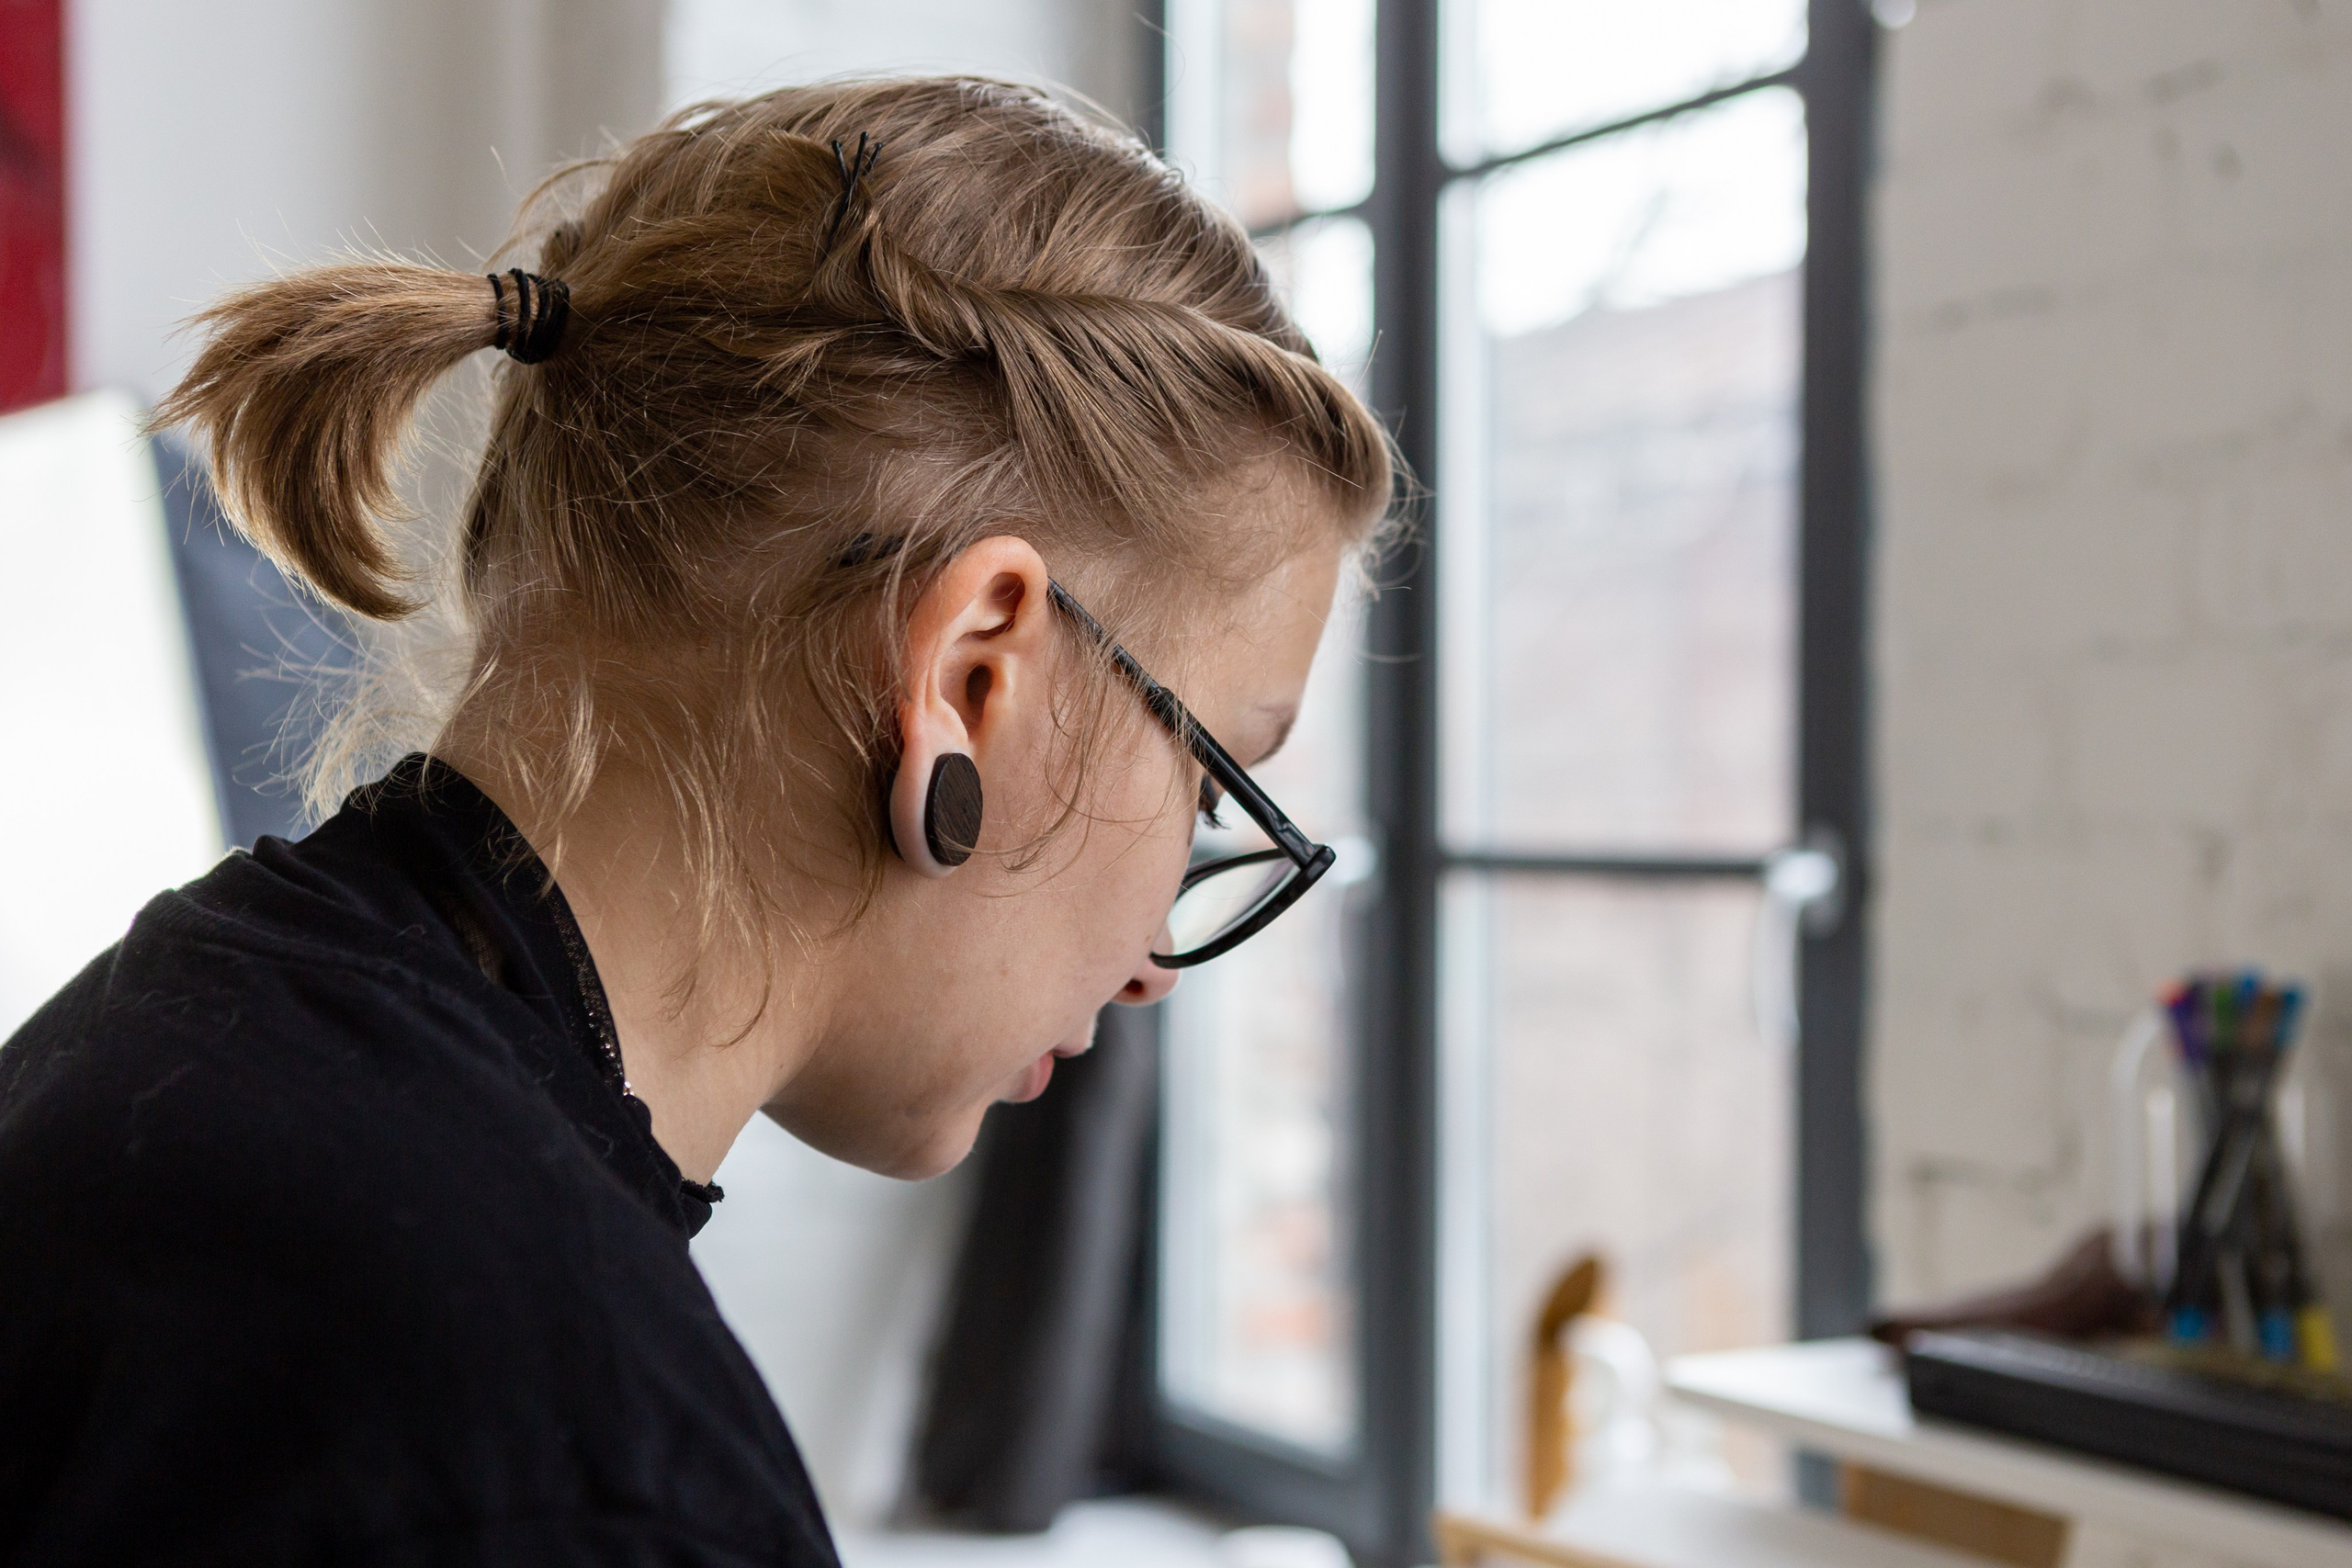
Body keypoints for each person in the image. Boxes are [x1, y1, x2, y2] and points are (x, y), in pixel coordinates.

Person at [0, 78, 1391, 1564]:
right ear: (972, 674)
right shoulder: (580, 1462)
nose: (1155, 971)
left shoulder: (182, 1029)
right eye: (1211, 782)